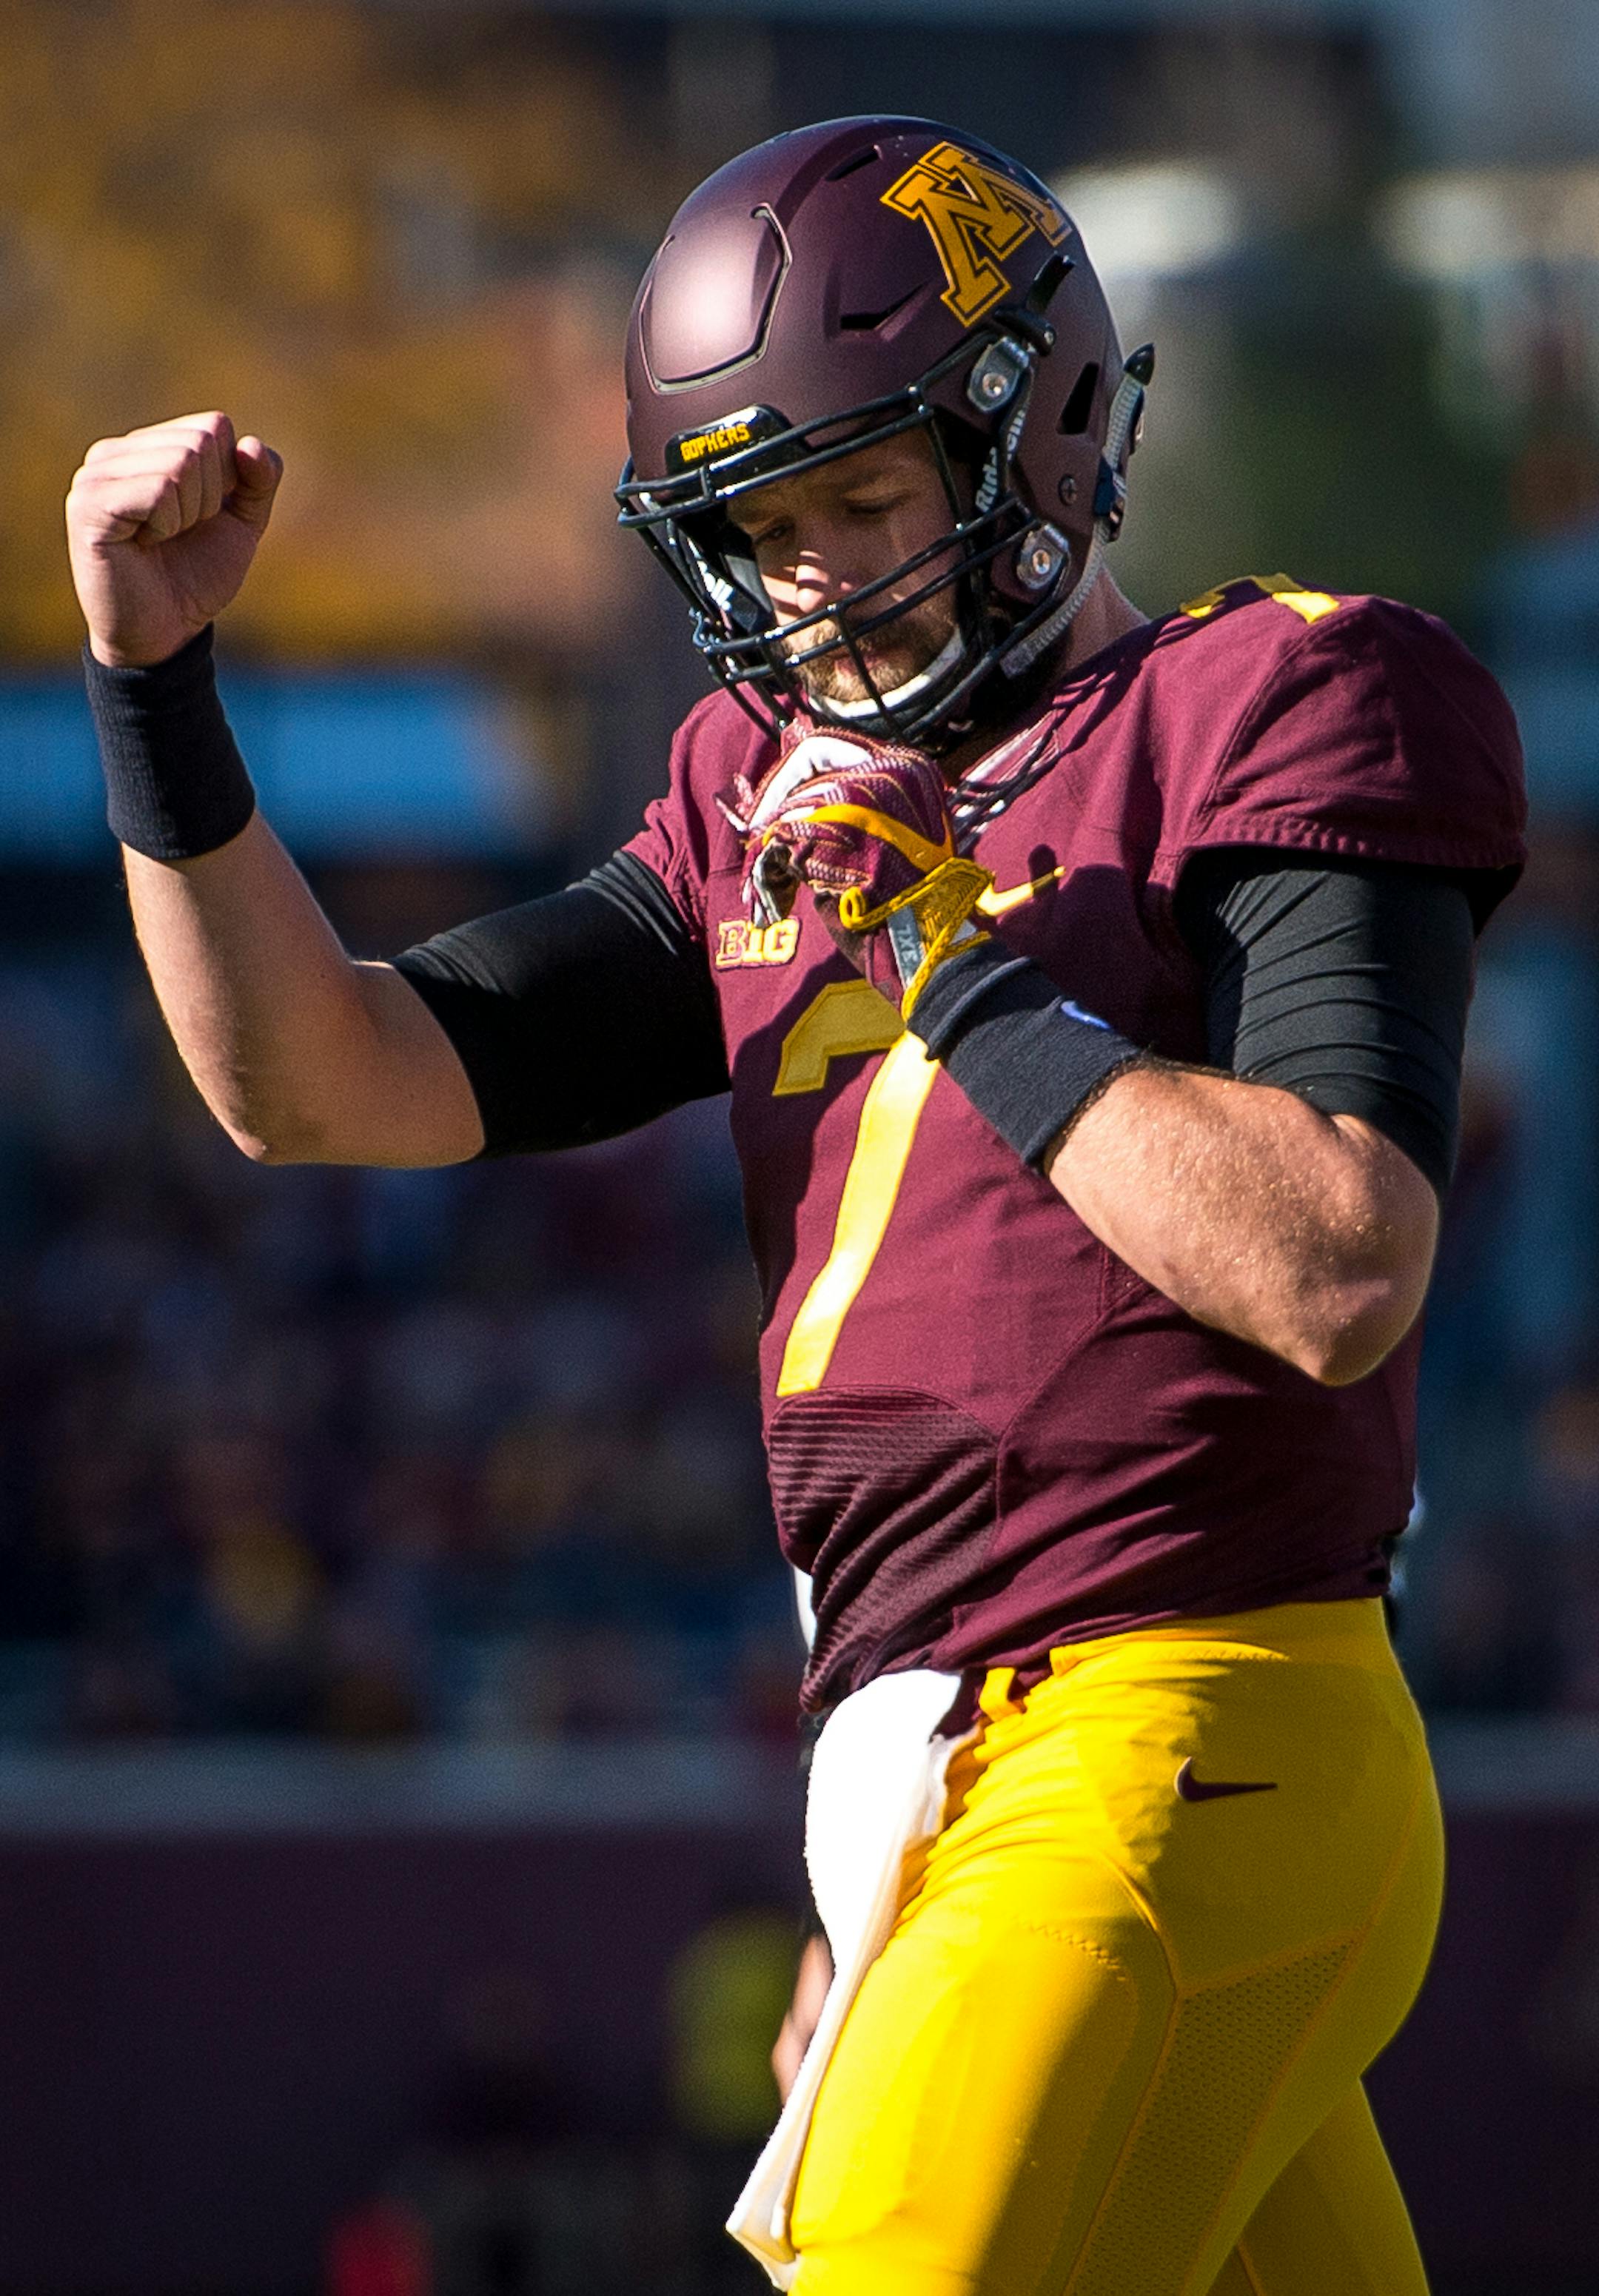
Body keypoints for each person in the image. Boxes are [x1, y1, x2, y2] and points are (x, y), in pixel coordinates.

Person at [67, 116, 1523, 2296]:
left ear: (1034, 445)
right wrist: (158, 697)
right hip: (944, 1768)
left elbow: (1338, 1265)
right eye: (763, 526)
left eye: (865, 498)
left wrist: (950, 964)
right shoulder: (758, 807)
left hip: (1171, 1721)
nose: (822, 578)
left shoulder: (1276, 694)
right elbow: (322, 1080)